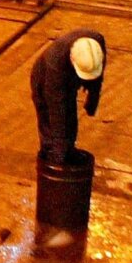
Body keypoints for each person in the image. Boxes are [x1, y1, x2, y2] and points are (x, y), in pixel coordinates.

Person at [30, 28, 106, 164]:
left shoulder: (96, 43)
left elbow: (98, 71)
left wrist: (93, 96)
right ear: (72, 59)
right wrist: (59, 154)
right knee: (50, 121)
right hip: (43, 78)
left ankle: (67, 149)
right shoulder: (55, 61)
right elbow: (57, 109)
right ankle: (50, 154)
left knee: (70, 115)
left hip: (68, 75)